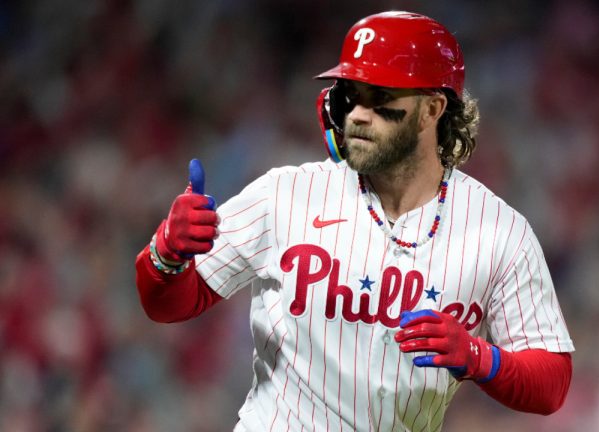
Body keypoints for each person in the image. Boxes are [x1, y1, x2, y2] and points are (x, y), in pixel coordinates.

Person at [135, 10, 574, 431]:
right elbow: (167, 305)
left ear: (432, 109)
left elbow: (552, 383)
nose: (358, 115)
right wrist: (166, 256)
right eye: (350, 96)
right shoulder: (285, 194)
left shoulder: (500, 231)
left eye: (381, 98)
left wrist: (480, 359)